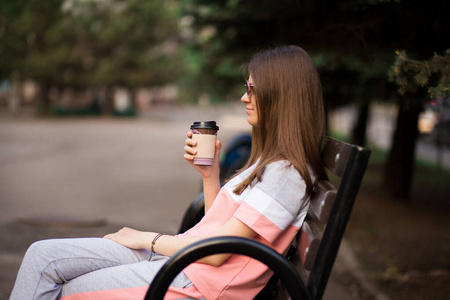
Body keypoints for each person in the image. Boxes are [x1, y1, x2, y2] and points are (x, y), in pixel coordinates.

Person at [10, 45, 327, 300]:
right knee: (42, 257)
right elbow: (220, 228)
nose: (245, 96)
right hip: (182, 258)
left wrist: (145, 238)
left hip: (194, 278)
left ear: (280, 96)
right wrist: (209, 175)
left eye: (252, 88)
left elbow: (218, 254)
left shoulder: (287, 174)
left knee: (67, 290)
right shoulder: (273, 164)